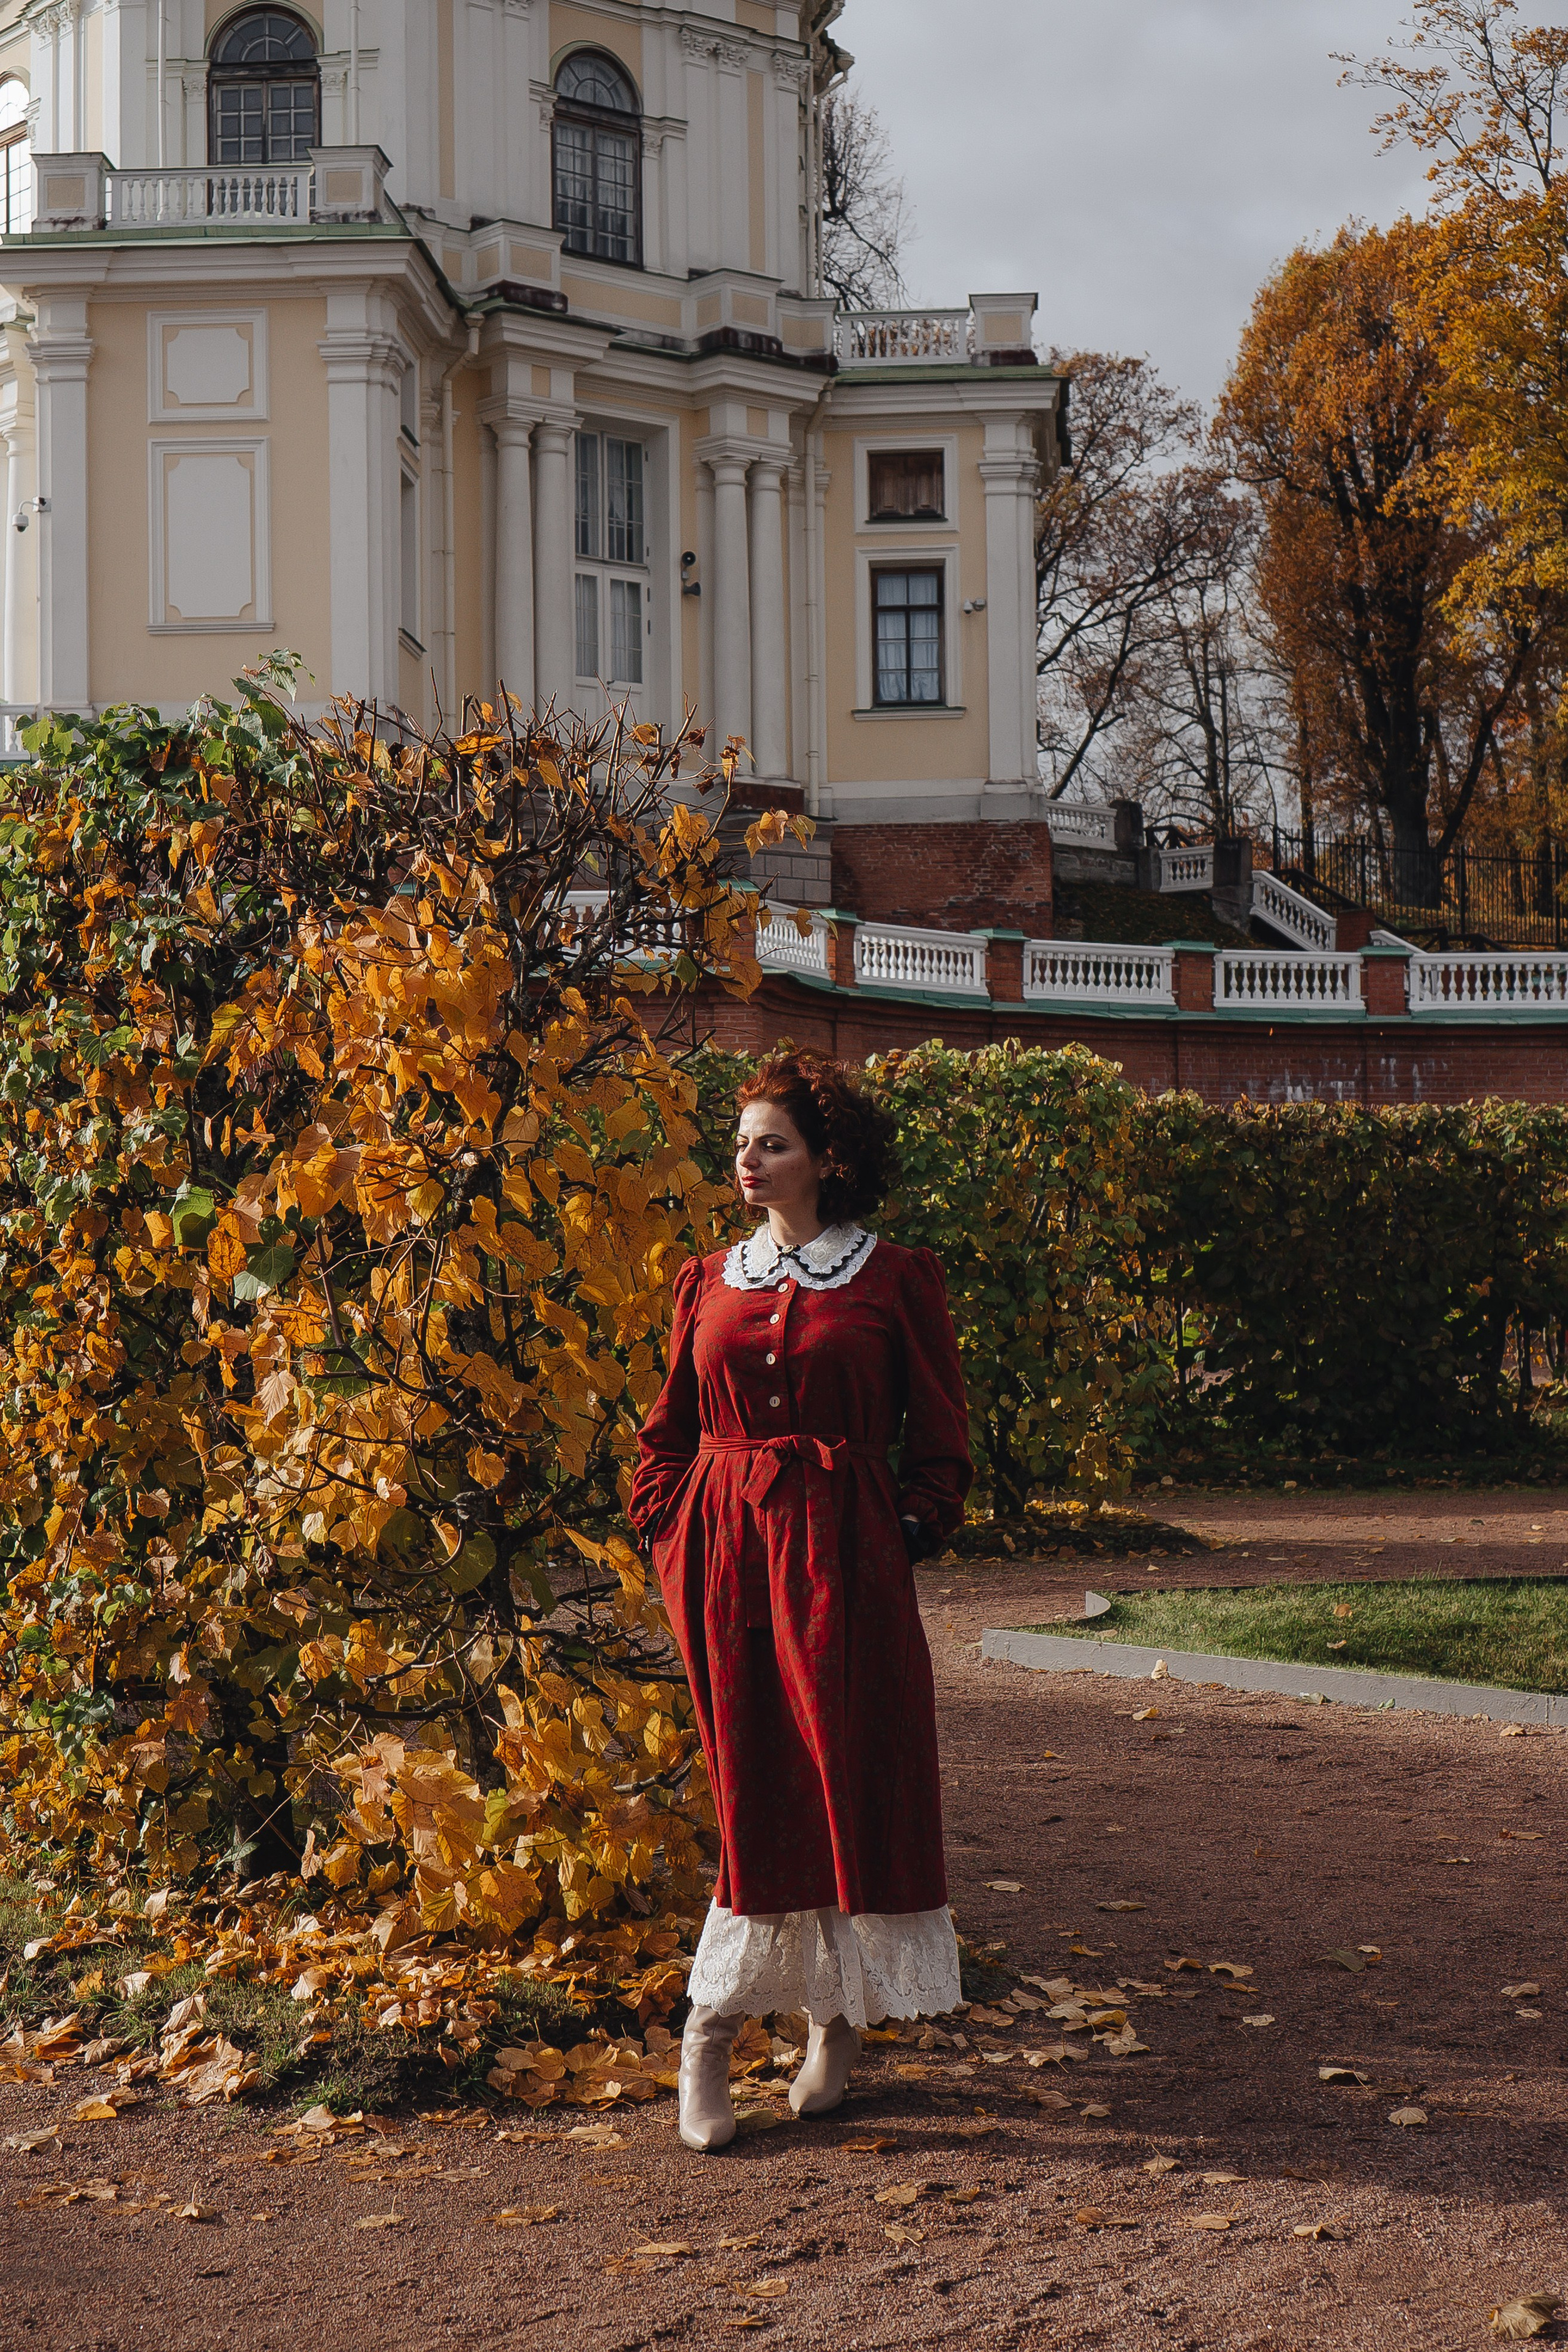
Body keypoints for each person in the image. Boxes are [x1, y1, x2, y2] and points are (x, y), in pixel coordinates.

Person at [629, 1050, 973, 2153]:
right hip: (726, 1559)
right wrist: (670, 1526)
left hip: (848, 1564)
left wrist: (909, 1527)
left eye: (771, 1142)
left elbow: (943, 1438)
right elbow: (667, 1430)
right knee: (753, 1789)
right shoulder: (708, 1279)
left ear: (827, 1159)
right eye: (741, 1142)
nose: (748, 1158)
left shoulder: (891, 1278)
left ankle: (835, 2022)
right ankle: (711, 2035)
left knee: (842, 1777)